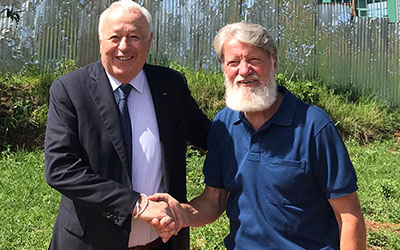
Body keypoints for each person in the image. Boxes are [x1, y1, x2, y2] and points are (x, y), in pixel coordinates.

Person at [150, 22, 367, 249]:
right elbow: (214, 200)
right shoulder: (224, 125)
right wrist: (181, 214)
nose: (244, 71)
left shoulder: (313, 125)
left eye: (254, 60)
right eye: (233, 62)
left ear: (273, 63)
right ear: (224, 68)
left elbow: (349, 215)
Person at [44, 1, 210, 249]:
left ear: (149, 40)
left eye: (134, 36)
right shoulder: (70, 90)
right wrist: (136, 204)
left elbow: (209, 138)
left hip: (163, 241)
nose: (124, 46)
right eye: (115, 37)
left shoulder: (171, 85)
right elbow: (61, 168)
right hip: (92, 241)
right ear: (100, 39)